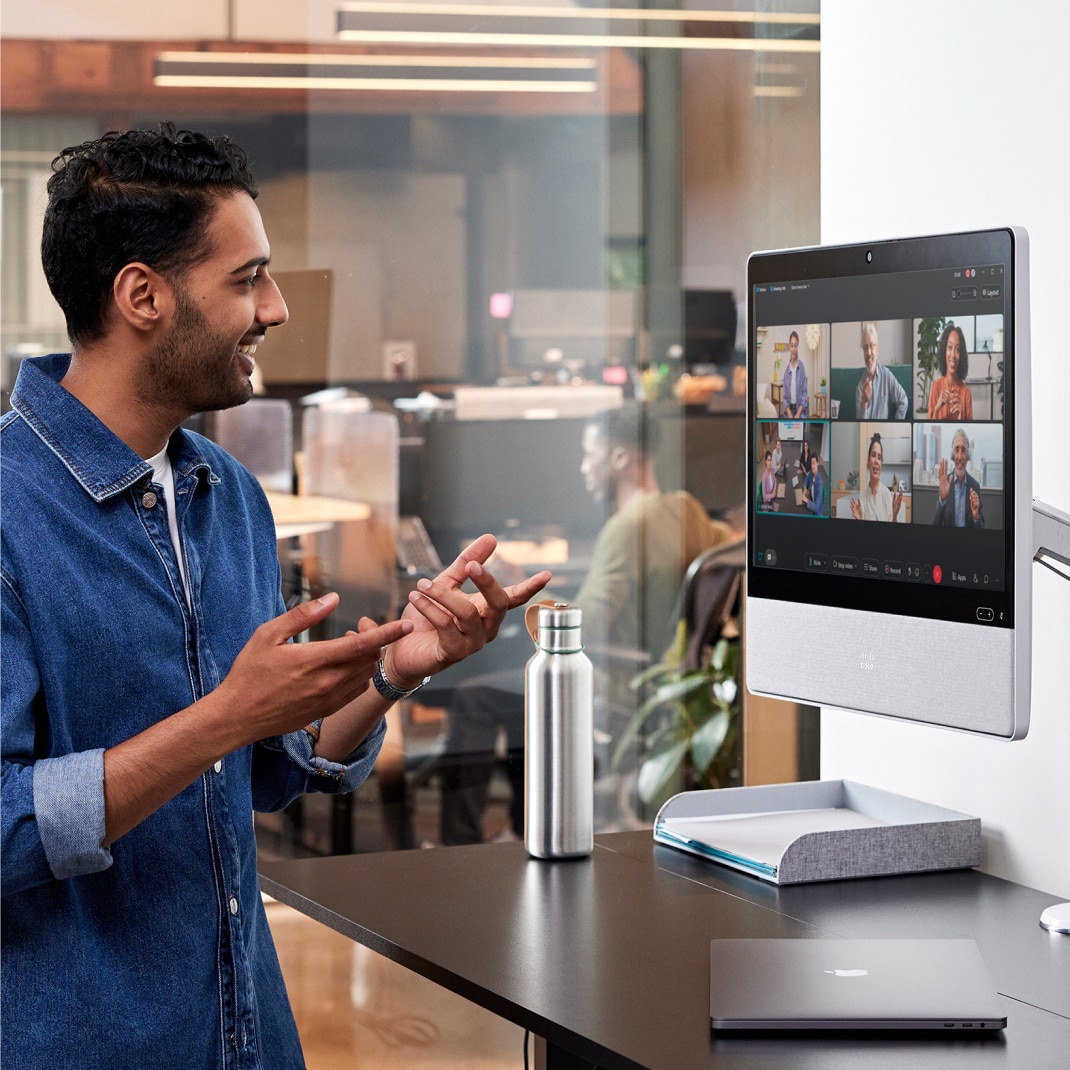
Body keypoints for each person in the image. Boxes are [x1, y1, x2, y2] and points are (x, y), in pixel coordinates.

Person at [0, 124, 550, 1070]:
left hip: (246, 1036)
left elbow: (263, 772)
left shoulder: (229, 496)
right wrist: (220, 719)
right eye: (247, 278)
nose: (278, 308)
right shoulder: (10, 513)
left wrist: (389, 671)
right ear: (142, 295)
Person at [438, 404, 737, 845]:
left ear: (619, 458)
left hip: (619, 682)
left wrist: (517, 584)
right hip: (667, 677)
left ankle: (457, 844)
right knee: (516, 692)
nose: (583, 467)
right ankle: (526, 830)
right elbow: (728, 545)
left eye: (589, 453)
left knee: (474, 696)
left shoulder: (625, 529)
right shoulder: (686, 508)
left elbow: (584, 626)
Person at [932, 428, 985, 527]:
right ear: (953, 455)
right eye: (956, 450)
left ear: (968, 456)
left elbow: (981, 530)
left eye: (963, 450)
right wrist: (942, 501)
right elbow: (935, 524)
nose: (960, 456)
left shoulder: (975, 486)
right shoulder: (945, 483)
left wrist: (975, 517)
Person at [855, 322, 908, 420]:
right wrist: (864, 402)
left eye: (871, 346)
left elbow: (903, 400)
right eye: (865, 348)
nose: (868, 352)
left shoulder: (886, 375)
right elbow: (860, 423)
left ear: (877, 350)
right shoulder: (860, 387)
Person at [849, 432, 903, 522]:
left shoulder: (887, 495)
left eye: (879, 457)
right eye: (873, 455)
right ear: (868, 460)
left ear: (881, 464)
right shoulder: (862, 498)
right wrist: (859, 518)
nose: (876, 461)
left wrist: (894, 515)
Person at [927, 323, 974, 421]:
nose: (953, 354)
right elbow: (928, 429)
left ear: (961, 356)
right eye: (950, 347)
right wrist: (936, 409)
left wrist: (961, 415)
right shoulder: (935, 387)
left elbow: (968, 433)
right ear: (944, 352)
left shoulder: (966, 393)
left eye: (957, 349)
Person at [782, 330, 808, 418]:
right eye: (792, 345)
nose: (793, 349)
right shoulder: (786, 371)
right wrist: (789, 414)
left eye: (795, 346)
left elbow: (804, 393)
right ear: (789, 347)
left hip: (800, 411)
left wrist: (798, 414)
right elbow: (785, 398)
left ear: (797, 347)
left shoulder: (801, 367)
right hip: (789, 411)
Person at [802, 452, 826, 517]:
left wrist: (806, 499)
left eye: (814, 463)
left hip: (816, 513)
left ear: (817, 464)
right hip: (811, 500)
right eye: (811, 463)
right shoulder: (812, 473)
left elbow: (816, 507)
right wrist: (805, 488)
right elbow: (807, 478)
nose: (812, 466)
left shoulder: (819, 483)